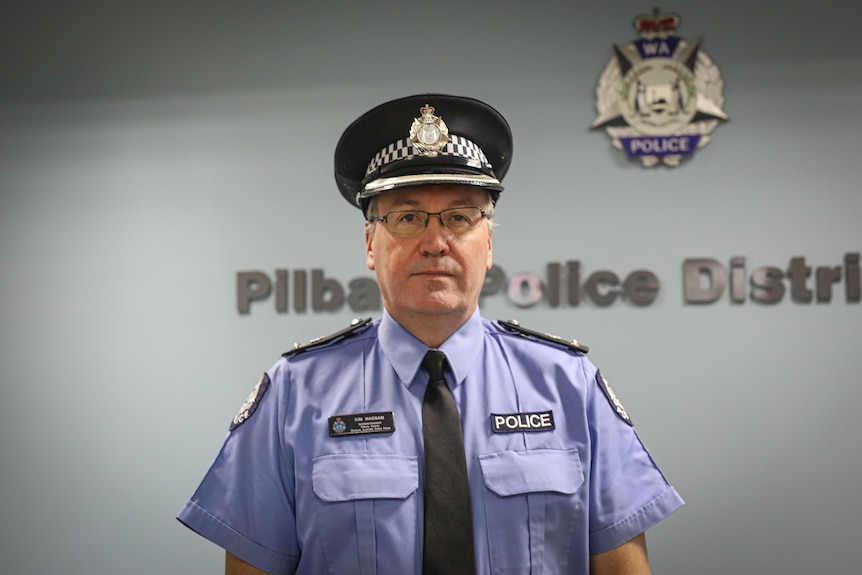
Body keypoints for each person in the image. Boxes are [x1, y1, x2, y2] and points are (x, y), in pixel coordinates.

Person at [177, 94, 684, 574]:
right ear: (370, 243)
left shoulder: (570, 386)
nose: (435, 242)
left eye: (461, 217)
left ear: (488, 244)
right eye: (408, 217)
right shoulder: (294, 394)